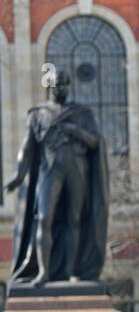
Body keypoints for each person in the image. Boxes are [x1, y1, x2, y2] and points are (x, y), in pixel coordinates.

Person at [5, 67, 110, 285]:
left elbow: (95, 142)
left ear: (69, 86)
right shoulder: (38, 114)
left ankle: (71, 271)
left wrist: (74, 131)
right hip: (49, 169)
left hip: (77, 169)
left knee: (74, 219)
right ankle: (44, 272)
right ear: (49, 86)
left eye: (64, 85)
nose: (60, 89)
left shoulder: (82, 113)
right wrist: (17, 175)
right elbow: (27, 147)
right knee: (43, 218)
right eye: (56, 85)